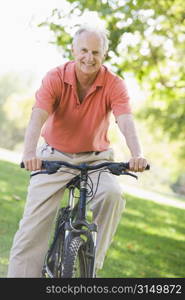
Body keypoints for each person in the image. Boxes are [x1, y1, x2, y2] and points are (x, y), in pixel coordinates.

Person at [7, 25, 148, 277]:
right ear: (73, 50)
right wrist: (29, 153)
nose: (89, 57)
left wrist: (137, 153)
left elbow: (125, 120)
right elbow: (37, 116)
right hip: (54, 155)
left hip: (96, 159)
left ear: (104, 54)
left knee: (112, 195)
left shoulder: (114, 84)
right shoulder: (55, 77)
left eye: (96, 52)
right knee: (31, 230)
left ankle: (92, 261)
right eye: (83, 50)